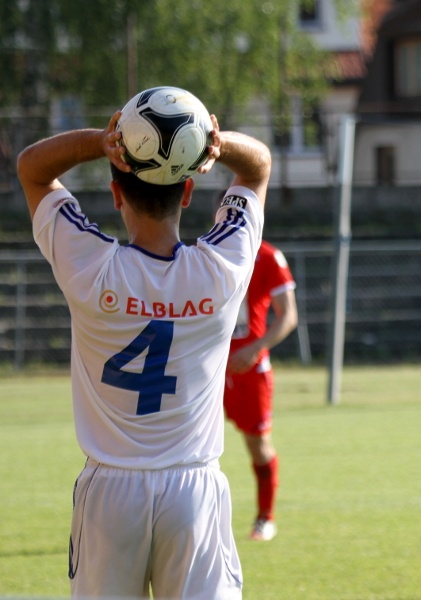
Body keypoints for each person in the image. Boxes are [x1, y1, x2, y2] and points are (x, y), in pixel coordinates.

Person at [17, 99, 271, 598]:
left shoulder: (90, 268)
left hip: (111, 491)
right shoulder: (221, 271)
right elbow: (258, 165)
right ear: (190, 192)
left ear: (116, 194)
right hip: (193, 489)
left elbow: (31, 169)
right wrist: (215, 144)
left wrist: (99, 141)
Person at [224, 238, 298, 541]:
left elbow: (289, 316)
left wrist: (255, 348)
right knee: (189, 444)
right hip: (207, 366)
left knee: (257, 443)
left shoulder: (267, 256)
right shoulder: (205, 251)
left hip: (250, 370)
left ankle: (265, 518)